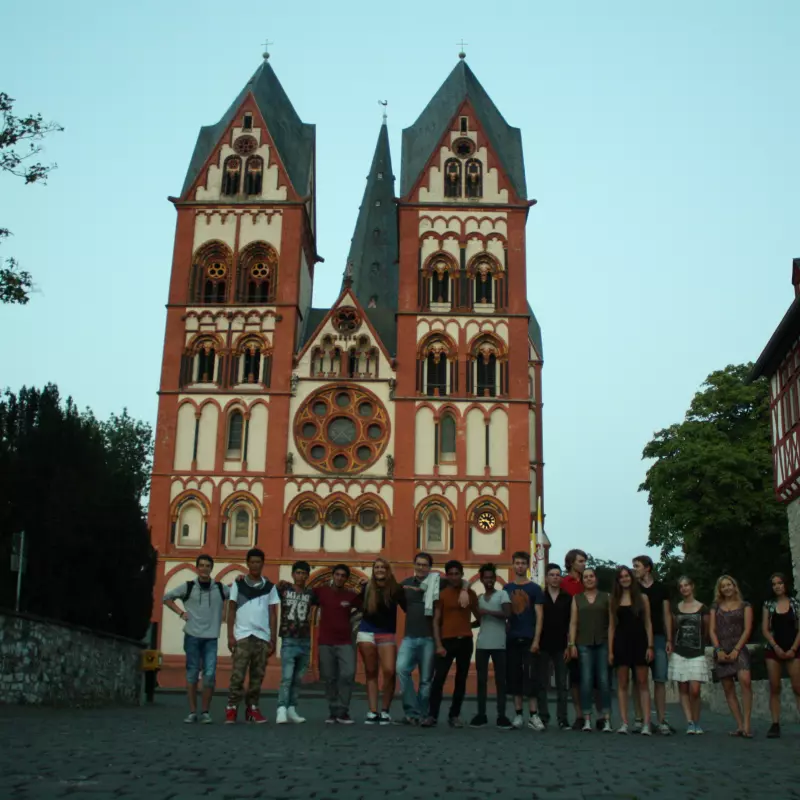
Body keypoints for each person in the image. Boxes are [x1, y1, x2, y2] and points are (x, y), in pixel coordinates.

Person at [397, 552, 469, 726]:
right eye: (418, 564)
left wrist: (465, 590)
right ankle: (411, 710)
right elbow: (396, 598)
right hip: (410, 636)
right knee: (401, 669)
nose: (421, 567)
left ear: (430, 567)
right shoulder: (405, 585)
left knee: (426, 680)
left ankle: (421, 714)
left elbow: (460, 580)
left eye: (424, 565)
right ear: (414, 565)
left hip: (430, 638)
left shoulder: (440, 583)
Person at [162, 554, 229, 723]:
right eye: (202, 565)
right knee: (192, 674)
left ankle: (205, 712)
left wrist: (225, 613)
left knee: (210, 675)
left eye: (207, 565)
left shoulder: (220, 588)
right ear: (197, 568)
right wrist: (181, 613)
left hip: (211, 638)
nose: (204, 568)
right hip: (192, 636)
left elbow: (236, 597)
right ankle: (192, 712)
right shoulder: (188, 587)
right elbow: (166, 598)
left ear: (211, 568)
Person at [225, 548, 280, 724]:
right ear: (247, 563)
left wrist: (273, 639)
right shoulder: (238, 585)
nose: (255, 565)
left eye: (259, 562)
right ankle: (232, 708)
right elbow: (231, 610)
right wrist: (230, 636)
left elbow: (273, 614)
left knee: (257, 676)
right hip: (242, 636)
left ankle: (252, 708)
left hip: (262, 637)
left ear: (263, 564)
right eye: (252, 562)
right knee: (238, 675)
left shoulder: (270, 587)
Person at [423, 560, 479, 728]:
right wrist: (438, 644)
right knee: (438, 679)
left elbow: (479, 616)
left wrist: (467, 626)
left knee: (461, 680)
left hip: (465, 642)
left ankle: (454, 715)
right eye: (451, 574)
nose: (454, 577)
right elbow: (436, 621)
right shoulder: (442, 594)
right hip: (446, 641)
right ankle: (432, 715)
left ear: (461, 575)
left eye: (457, 574)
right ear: (446, 576)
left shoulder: (470, 594)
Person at [357, 557, 405, 724]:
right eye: (376, 567)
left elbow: (407, 606)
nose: (379, 570)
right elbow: (355, 604)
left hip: (387, 634)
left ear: (387, 570)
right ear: (373, 570)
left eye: (382, 567)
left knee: (390, 671)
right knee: (371, 671)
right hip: (366, 633)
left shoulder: (395, 589)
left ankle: (385, 710)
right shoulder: (366, 587)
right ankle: (372, 711)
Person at [608, 566, 654, 735]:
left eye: (627, 576)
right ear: (618, 581)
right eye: (621, 577)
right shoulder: (613, 600)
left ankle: (646, 723)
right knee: (622, 683)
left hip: (640, 641)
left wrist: (650, 646)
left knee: (642, 683)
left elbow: (648, 623)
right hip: (621, 642)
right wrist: (610, 651)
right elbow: (612, 626)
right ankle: (624, 722)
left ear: (631, 578)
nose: (625, 579)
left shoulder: (643, 598)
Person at [315, 563, 361, 724]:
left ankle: (343, 710)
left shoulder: (351, 595)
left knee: (348, 674)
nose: (340, 577)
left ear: (346, 579)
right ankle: (334, 711)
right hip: (326, 642)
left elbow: (367, 604)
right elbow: (301, 594)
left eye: (343, 576)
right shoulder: (321, 592)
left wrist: (366, 586)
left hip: (345, 642)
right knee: (329, 677)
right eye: (337, 575)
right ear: (332, 576)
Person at [632, 555, 673, 734]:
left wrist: (669, 638)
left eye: (637, 566)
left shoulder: (661, 588)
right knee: (638, 680)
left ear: (647, 568)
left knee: (659, 678)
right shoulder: (633, 588)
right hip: (638, 638)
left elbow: (666, 614)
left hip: (658, 636)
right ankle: (639, 718)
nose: (635, 569)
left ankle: (662, 719)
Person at [505, 551, 545, 730]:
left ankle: (534, 715)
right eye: (517, 563)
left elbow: (539, 616)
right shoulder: (506, 589)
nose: (520, 566)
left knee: (531, 677)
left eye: (523, 563)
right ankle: (519, 714)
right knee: (515, 678)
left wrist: (536, 640)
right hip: (512, 638)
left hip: (529, 638)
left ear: (528, 566)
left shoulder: (535, 589)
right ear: (513, 565)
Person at [568, 567, 612, 732]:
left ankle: (606, 718)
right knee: (585, 681)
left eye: (591, 576)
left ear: (596, 579)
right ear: (582, 580)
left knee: (603, 681)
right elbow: (573, 622)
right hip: (583, 643)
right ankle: (586, 718)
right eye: (585, 577)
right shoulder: (577, 598)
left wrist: (611, 645)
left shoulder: (606, 597)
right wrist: (571, 644)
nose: (588, 579)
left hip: (602, 642)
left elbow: (612, 623)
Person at [469, 563, 512, 729]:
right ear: (481, 579)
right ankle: (481, 714)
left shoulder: (502, 595)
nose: (489, 580)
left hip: (499, 643)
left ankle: (502, 715)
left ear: (495, 579)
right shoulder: (479, 598)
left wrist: (488, 612)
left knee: (501, 681)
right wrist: (467, 626)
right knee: (481, 680)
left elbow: (507, 614)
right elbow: (480, 621)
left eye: (491, 578)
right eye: (486, 578)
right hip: (482, 644)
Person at [709, 574, 753, 737]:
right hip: (721, 648)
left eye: (729, 585)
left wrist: (736, 650)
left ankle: (748, 724)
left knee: (745, 681)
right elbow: (712, 630)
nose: (727, 588)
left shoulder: (745, 605)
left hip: (739, 647)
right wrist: (718, 649)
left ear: (734, 586)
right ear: (720, 590)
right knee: (728, 688)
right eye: (723, 586)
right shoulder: (715, 606)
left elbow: (747, 629)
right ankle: (739, 725)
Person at [275, 560, 318, 724]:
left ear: (307, 575)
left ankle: (292, 708)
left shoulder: (311, 594)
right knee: (286, 677)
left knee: (298, 678)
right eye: (298, 573)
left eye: (304, 573)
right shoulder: (284, 589)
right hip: (289, 639)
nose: (301, 576)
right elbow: (264, 589)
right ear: (293, 574)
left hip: (305, 640)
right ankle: (281, 708)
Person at [669, 576, 710, 735]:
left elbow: (706, 629)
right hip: (679, 651)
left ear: (692, 587)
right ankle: (690, 722)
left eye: (686, 585)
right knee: (683, 687)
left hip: (697, 651)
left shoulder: (702, 608)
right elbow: (673, 628)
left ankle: (697, 719)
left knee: (695, 689)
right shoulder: (676, 608)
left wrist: (702, 645)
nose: (684, 588)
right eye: (681, 586)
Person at [762, 572, 800, 738]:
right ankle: (775, 723)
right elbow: (765, 629)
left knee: (798, 687)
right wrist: (776, 647)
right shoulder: (768, 604)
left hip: (794, 647)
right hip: (774, 648)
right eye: (774, 584)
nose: (777, 586)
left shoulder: (795, 603)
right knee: (774, 686)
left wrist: (793, 649)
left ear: (785, 585)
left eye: (780, 583)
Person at [536, 563, 571, 730]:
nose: (555, 577)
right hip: (542, 644)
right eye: (552, 574)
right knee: (542, 683)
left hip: (561, 645)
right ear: (547, 578)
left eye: (558, 575)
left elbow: (572, 623)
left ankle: (562, 718)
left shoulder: (567, 598)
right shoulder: (540, 596)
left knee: (562, 684)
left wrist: (570, 644)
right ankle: (543, 716)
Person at [560, 548, 587, 729]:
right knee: (575, 678)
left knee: (592, 678)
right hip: (570, 635)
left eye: (585, 561)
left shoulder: (588, 581)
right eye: (580, 561)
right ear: (570, 563)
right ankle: (579, 714)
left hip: (588, 633)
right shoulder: (563, 583)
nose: (584, 564)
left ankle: (596, 714)